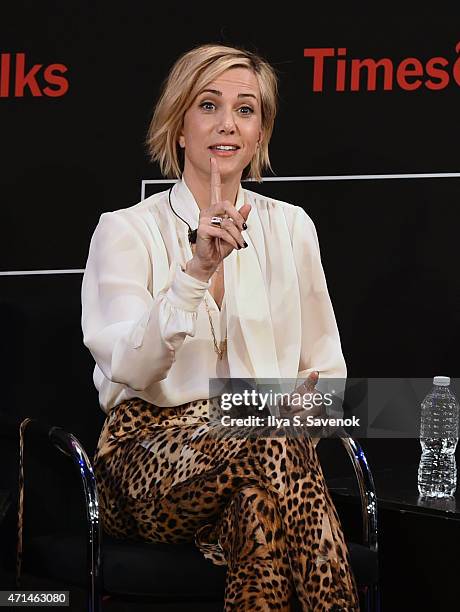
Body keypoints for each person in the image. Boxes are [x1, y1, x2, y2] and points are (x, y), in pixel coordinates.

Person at [81, 43, 359, 611]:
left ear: (260, 134)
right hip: (146, 459)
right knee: (273, 436)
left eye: (245, 109)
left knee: (259, 513)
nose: (227, 123)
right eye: (208, 105)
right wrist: (196, 270)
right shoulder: (126, 231)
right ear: (179, 127)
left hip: (267, 458)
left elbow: (327, 376)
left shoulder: (292, 228)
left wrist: (308, 402)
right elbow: (130, 367)